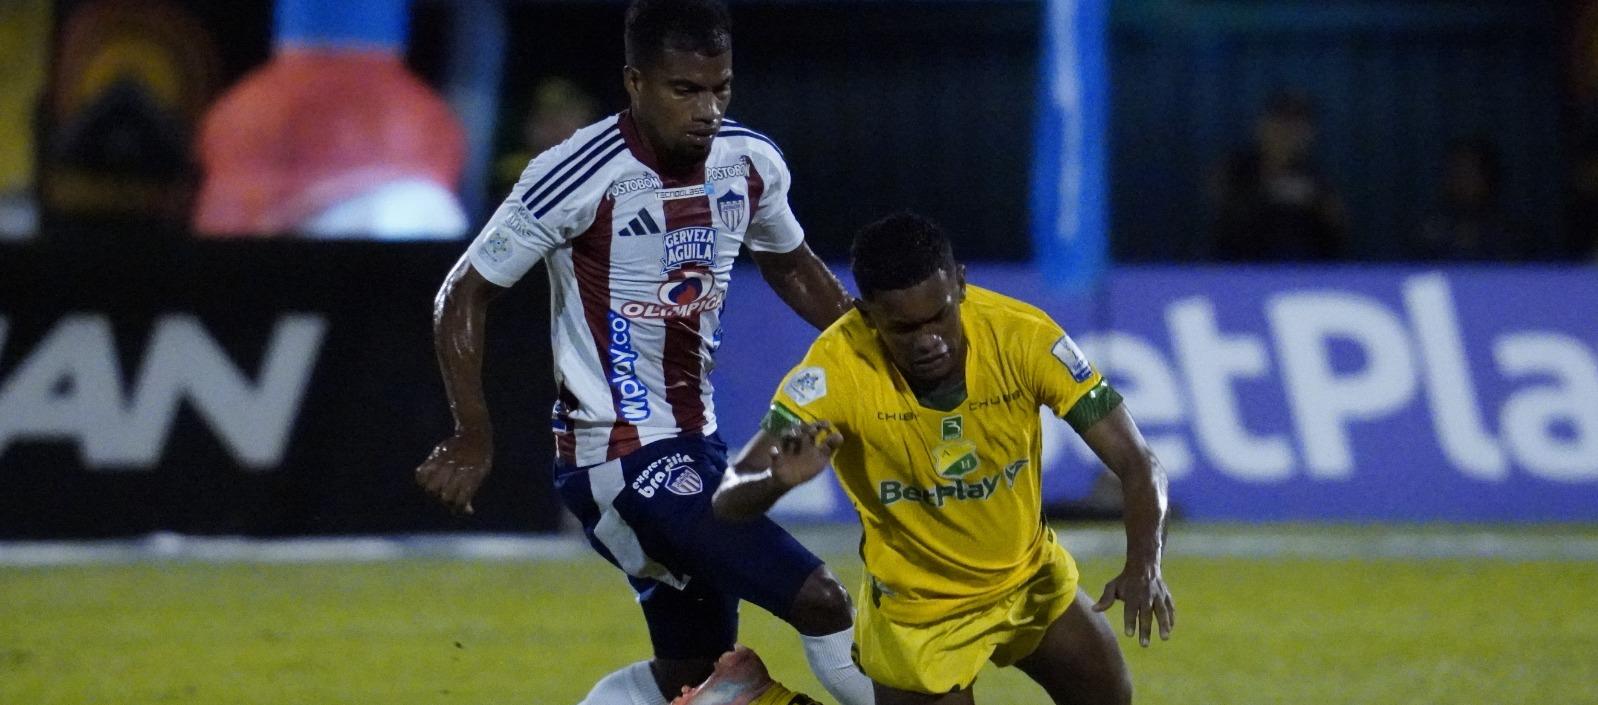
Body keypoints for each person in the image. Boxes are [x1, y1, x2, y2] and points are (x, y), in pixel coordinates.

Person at [414, 2, 871, 704]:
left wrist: (876, 352)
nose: (707, 109)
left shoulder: (749, 163)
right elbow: (463, 292)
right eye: (685, 90)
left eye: (720, 88)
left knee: (694, 676)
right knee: (821, 598)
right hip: (617, 458)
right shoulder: (573, 174)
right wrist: (473, 430)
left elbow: (791, 264)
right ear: (635, 82)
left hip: (697, 445)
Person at [714, 212, 1176, 704]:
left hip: (1030, 580)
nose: (928, 340)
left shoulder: (1023, 337)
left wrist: (1144, 562)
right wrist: (776, 481)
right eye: (905, 328)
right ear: (867, 314)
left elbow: (1137, 461)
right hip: (921, 614)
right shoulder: (834, 371)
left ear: (960, 282)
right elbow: (727, 498)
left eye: (940, 315)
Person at [1207, 91, 1346, 262]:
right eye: (1281, 124)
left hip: (1301, 272)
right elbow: (1222, 211)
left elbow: (1337, 228)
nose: (1288, 133)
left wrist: (1312, 200)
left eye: (1298, 127)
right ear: (1263, 126)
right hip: (1239, 268)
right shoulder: (1235, 168)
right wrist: (1271, 191)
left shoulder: (1315, 178)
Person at [1411, 137, 1525, 261]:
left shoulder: (1511, 232)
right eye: (1456, 172)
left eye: (1468, 172)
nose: (1460, 181)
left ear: (1487, 177)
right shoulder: (1429, 231)